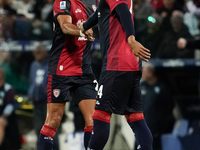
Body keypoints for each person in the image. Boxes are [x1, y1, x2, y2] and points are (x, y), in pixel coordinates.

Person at [80, 0, 153, 149]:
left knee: (101, 115)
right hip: (131, 64)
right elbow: (100, 13)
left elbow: (123, 10)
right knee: (136, 118)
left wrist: (131, 39)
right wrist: (84, 26)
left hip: (116, 63)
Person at [38, 0, 97, 149]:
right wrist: (81, 30)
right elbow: (65, 26)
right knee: (54, 119)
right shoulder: (63, 2)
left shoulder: (94, 3)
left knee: (94, 120)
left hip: (84, 71)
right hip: (61, 69)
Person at [28, 45, 59, 150]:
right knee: (38, 129)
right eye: (35, 54)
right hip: (36, 103)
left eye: (39, 53)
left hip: (48, 102)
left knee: (50, 129)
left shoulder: (50, 65)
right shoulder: (33, 66)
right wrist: (31, 94)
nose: (37, 56)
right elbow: (32, 82)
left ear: (44, 53)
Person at [141, 63, 175, 150]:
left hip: (156, 127)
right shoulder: (142, 86)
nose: (142, 74)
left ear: (150, 74)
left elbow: (170, 105)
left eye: (144, 72)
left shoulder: (162, 87)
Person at [0, 67, 21, 150]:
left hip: (5, 117)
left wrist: (4, 116)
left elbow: (10, 105)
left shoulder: (8, 89)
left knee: (0, 123)